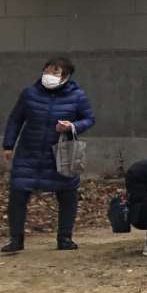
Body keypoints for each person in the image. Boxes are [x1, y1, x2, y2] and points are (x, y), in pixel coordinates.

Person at [3, 56, 95, 253]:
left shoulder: (77, 96)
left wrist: (72, 126)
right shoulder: (29, 94)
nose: (50, 75)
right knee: (18, 193)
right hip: (29, 151)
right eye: (48, 70)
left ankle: (64, 238)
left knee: (68, 193)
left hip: (60, 153)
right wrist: (8, 145)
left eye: (56, 72)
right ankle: (16, 239)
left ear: (66, 77)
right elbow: (15, 119)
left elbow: (89, 119)